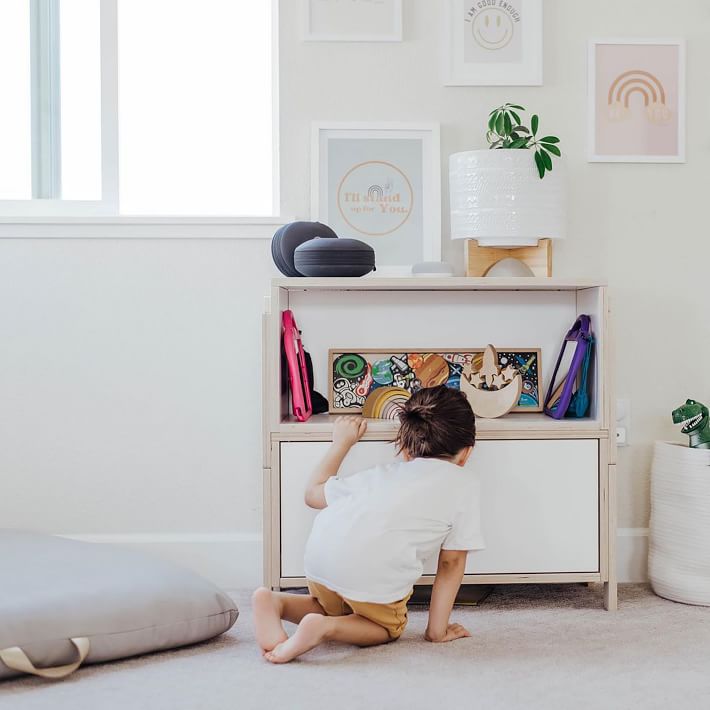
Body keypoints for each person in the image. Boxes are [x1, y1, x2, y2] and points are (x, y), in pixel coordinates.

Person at [253, 384, 483, 663]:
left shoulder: (380, 474)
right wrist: (437, 631)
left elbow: (313, 494)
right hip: (368, 578)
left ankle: (275, 601)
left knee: (333, 604)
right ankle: (324, 628)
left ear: (406, 449)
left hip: (320, 564)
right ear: (467, 452)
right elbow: (451, 563)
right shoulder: (464, 484)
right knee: (387, 627)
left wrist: (342, 443)